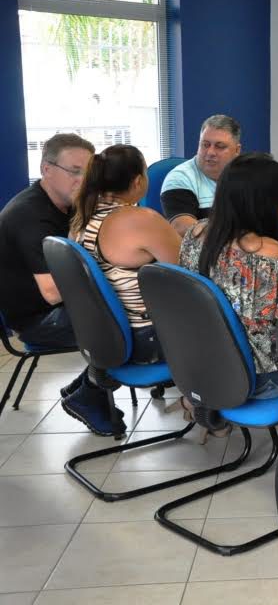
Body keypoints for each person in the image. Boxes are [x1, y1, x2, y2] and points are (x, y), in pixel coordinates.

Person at [179, 154, 278, 431]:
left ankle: (207, 400)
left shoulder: (195, 233)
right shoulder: (268, 253)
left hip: (201, 364)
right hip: (258, 380)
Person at [62, 145, 181, 433]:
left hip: (109, 335)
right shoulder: (141, 220)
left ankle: (90, 385)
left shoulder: (83, 218)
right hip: (145, 339)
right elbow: (189, 271)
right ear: (138, 181)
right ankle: (209, 408)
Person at [0, 134, 94, 415]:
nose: (82, 180)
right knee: (130, 324)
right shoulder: (30, 216)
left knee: (130, 311)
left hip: (56, 309)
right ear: (46, 169)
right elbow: (52, 293)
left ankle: (87, 388)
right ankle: (90, 395)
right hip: (38, 321)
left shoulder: (66, 203)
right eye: (74, 171)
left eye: (88, 173)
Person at [161, 114, 242, 236]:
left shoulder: (247, 175)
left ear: (237, 150)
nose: (210, 152)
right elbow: (182, 226)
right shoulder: (180, 177)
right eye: (205, 145)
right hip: (208, 247)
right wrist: (235, 239)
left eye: (220, 146)